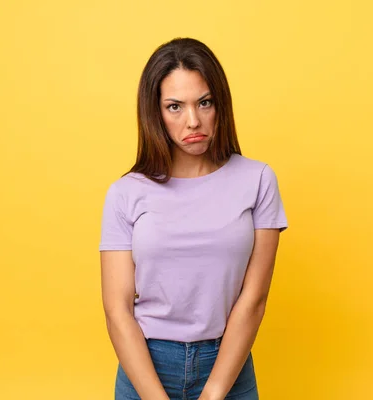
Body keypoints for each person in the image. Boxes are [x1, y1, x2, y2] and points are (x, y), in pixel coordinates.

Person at [99, 37, 288, 400]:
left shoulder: (258, 180)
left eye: (204, 102)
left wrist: (215, 390)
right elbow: (117, 309)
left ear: (220, 104)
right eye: (174, 107)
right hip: (146, 367)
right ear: (155, 113)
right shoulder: (125, 193)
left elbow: (254, 298)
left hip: (228, 367)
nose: (193, 121)